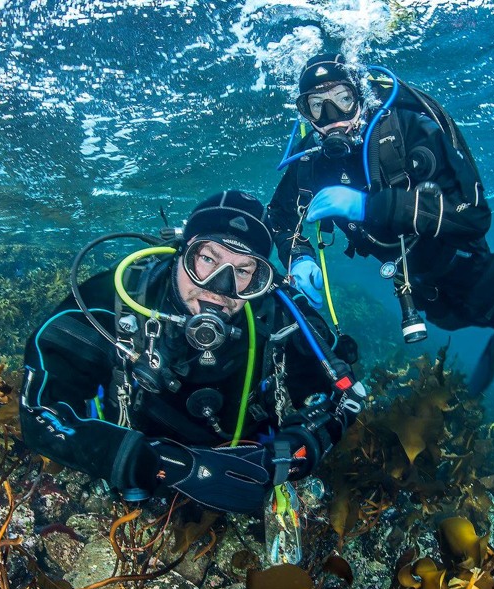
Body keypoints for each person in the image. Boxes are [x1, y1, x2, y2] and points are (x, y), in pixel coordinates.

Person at [268, 53, 494, 394]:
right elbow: (279, 219)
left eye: (342, 100)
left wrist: (373, 207)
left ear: (360, 95)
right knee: (450, 321)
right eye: (317, 105)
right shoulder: (310, 163)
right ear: (305, 113)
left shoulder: (409, 131)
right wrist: (298, 256)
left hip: (464, 261)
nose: (331, 117)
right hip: (417, 282)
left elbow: (474, 216)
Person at [20, 190, 364, 515]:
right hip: (135, 482)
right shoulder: (114, 302)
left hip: (245, 474)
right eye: (208, 258)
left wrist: (296, 451)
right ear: (182, 253)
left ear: (260, 277)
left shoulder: (280, 319)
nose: (220, 287)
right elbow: (39, 411)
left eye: (242, 271)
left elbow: (346, 397)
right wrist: (148, 463)